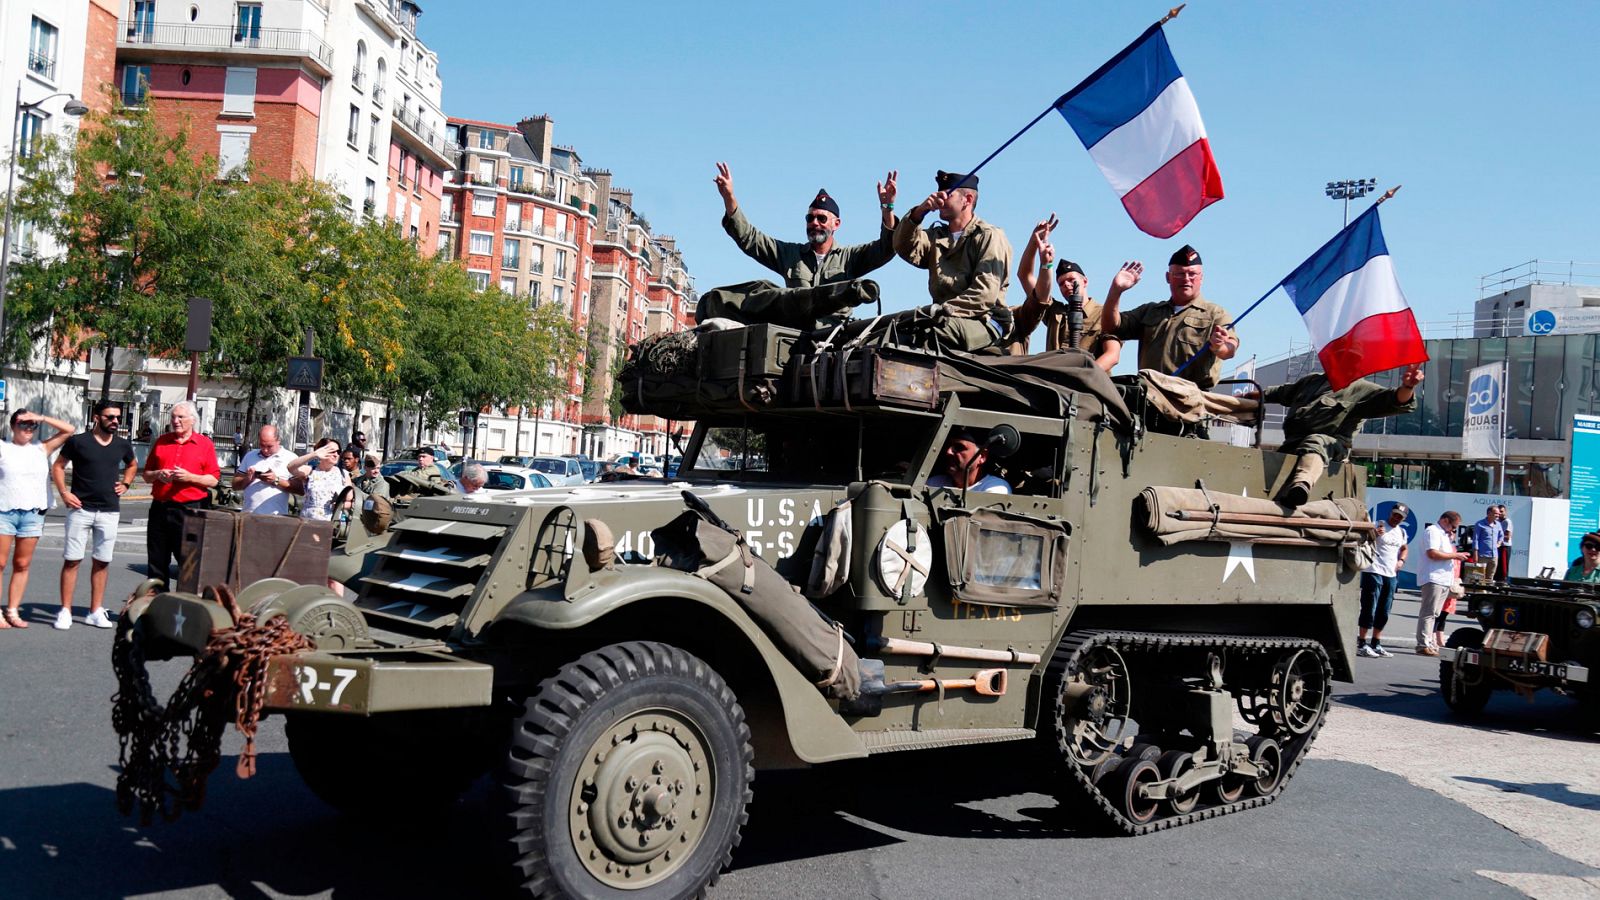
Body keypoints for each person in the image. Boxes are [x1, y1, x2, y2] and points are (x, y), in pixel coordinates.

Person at [701, 163, 895, 329]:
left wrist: (887, 209)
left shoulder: (850, 258)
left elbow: (885, 249)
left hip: (832, 337)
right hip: (794, 335)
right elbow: (751, 239)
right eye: (810, 218)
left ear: (836, 224)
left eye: (821, 218)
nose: (815, 223)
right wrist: (729, 199)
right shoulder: (791, 255)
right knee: (765, 292)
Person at [1258, 363, 1424, 507]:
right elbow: (1282, 392)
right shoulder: (1312, 381)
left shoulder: (1360, 389)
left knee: (1317, 441)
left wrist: (1408, 387)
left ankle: (1302, 484)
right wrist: (1257, 395)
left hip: (1332, 448)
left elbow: (1395, 400)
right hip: (1293, 445)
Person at [893, 170, 1014, 353]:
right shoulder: (938, 237)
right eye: (939, 193)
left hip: (983, 321)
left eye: (947, 194)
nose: (940, 199)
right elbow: (902, 246)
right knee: (897, 330)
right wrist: (919, 212)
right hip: (942, 319)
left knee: (928, 333)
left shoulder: (989, 236)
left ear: (968, 199)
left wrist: (939, 311)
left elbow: (984, 294)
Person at [1100, 245, 1239, 391]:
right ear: (1168, 277)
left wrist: (1219, 346)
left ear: (1201, 278)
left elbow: (1230, 349)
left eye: (1192, 274)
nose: (1186, 279)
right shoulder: (1150, 311)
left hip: (1191, 400)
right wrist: (1116, 290)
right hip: (1149, 395)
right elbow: (1111, 327)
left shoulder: (1215, 314)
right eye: (1179, 274)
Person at [51, 400, 137, 630]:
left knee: (102, 562)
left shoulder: (122, 444)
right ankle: (65, 611)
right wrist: (64, 493)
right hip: (80, 509)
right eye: (110, 417)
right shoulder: (79, 442)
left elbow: (132, 464)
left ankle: (95, 611)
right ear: (97, 417)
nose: (115, 421)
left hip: (109, 510)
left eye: (118, 417)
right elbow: (58, 466)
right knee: (72, 560)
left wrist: (126, 484)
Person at [1008, 214, 1121, 371]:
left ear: (1085, 281)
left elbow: (1112, 355)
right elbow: (1024, 275)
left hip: (1090, 387)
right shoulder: (1056, 311)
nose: (1066, 285)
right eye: (1061, 283)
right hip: (1055, 385)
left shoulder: (1104, 314)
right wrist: (1035, 241)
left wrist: (1085, 377)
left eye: (1071, 280)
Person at [0, 410, 76, 629]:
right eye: (23, 425)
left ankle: (13, 610)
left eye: (32, 426)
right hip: (4, 511)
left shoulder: (41, 448)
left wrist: (41, 418)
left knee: (22, 564)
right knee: (1, 563)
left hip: (32, 513)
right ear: (13, 426)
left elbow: (69, 430)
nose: (28, 430)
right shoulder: (4, 448)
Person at [141, 401, 221, 589]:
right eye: (173, 417)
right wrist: (158, 474)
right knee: (157, 560)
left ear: (192, 420)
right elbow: (146, 475)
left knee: (188, 562)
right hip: (160, 508)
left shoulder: (204, 444)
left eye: (180, 417)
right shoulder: (162, 441)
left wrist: (190, 477)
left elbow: (213, 480)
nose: (175, 421)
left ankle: (183, 607)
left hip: (189, 509)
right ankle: (156, 603)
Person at [1356, 504, 1409, 658]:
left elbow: (1404, 548)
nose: (1396, 518)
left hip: (1391, 574)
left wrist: (1401, 561)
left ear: (1403, 518)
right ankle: (1362, 642)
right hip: (1373, 570)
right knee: (1369, 607)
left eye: (1400, 516)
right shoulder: (1378, 525)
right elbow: (1362, 540)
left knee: (1384, 610)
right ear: (1390, 513)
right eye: (1395, 514)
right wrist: (1374, 535)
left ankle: (1376, 643)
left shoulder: (1401, 531)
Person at [1417, 511, 1471, 656]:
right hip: (1433, 577)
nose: (1453, 530)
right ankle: (1422, 644)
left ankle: (1429, 642)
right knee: (1428, 613)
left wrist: (1452, 543)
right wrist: (1456, 555)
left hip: (1443, 579)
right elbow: (1432, 554)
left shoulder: (1444, 535)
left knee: (1435, 613)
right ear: (1445, 521)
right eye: (1453, 527)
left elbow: (1446, 553)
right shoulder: (1432, 531)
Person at [231, 425, 299, 515]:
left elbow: (300, 489)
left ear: (278, 441)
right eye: (262, 445)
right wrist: (247, 479)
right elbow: (235, 485)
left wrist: (276, 480)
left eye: (269, 446)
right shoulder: (250, 456)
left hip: (276, 518)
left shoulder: (291, 458)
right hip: (248, 516)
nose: (265, 450)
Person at [926, 427, 1011, 494]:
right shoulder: (933, 484)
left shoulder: (995, 488)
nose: (949, 452)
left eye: (959, 447)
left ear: (982, 457)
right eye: (949, 446)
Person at [291, 438, 351, 521]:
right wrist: (313, 455)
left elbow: (350, 501)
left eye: (338, 451)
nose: (336, 454)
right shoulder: (311, 471)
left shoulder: (343, 474)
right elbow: (291, 467)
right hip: (308, 522)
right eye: (332, 451)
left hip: (331, 524)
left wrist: (339, 505)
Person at [1471, 506, 1504, 582]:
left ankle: (1488, 592)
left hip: (1494, 556)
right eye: (1496, 513)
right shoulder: (1479, 524)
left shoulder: (1498, 524)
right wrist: (1475, 554)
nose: (1498, 515)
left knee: (1490, 577)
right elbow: (1475, 540)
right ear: (1489, 513)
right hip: (1482, 555)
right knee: (1479, 577)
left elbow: (1501, 536)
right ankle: (1479, 592)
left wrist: (1499, 543)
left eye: (1498, 514)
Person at [1496, 504, 1512, 582]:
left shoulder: (1507, 521)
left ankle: (1504, 582)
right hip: (1499, 547)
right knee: (1498, 566)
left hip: (1504, 547)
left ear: (1505, 512)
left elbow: (1508, 537)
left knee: (1504, 567)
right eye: (1499, 512)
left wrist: (1496, 537)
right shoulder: (1497, 521)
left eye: (1502, 511)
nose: (1500, 513)